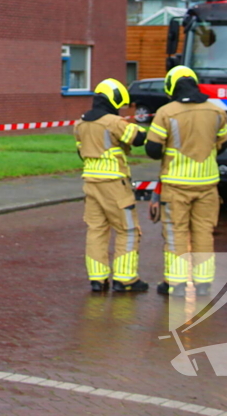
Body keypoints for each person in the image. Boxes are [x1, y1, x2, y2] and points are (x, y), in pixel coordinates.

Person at [145, 66, 227, 297]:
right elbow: (222, 145)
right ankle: (203, 283)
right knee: (204, 233)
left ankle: (176, 283)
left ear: (171, 87)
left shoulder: (166, 112)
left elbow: (153, 149)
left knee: (176, 234)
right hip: (207, 183)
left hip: (176, 185)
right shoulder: (217, 111)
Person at [74, 78, 149, 293]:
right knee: (128, 229)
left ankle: (97, 279)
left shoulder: (80, 124)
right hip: (114, 183)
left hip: (90, 182)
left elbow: (80, 151)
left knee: (96, 229)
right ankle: (125, 279)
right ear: (113, 99)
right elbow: (138, 138)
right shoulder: (114, 122)